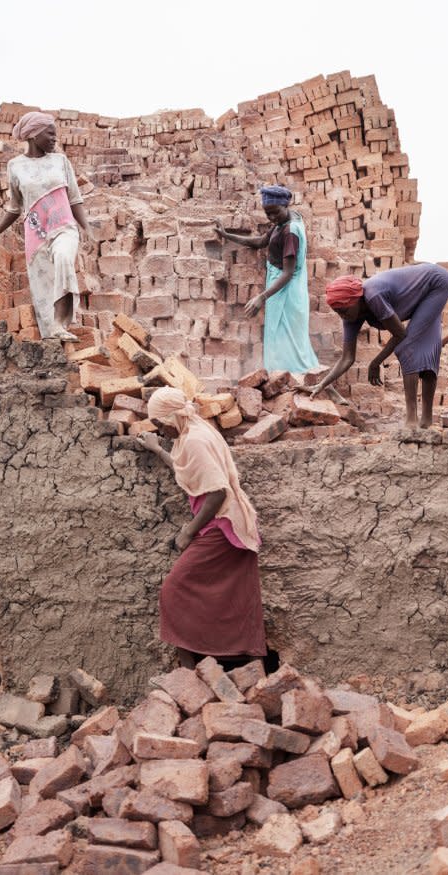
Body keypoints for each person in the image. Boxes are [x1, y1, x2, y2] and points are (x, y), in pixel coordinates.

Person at [136, 387, 267, 669]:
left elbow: (217, 490)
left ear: (173, 417)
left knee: (174, 590)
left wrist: (189, 531)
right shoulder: (193, 431)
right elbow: (189, 469)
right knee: (238, 597)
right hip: (228, 523)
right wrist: (159, 450)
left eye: (159, 424)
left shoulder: (194, 439)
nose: (159, 430)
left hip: (224, 525)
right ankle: (254, 668)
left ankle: (188, 671)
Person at [0, 111, 92, 341]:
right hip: (36, 234)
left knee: (64, 259)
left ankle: (61, 322)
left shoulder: (60, 161)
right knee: (42, 285)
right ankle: (53, 342)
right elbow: (15, 206)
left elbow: (75, 199)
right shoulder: (15, 166)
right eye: (50, 134)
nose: (55, 139)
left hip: (64, 227)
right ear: (34, 135)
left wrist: (87, 228)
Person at [310, 263, 448, 428]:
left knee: (407, 348)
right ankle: (426, 422)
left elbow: (400, 334)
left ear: (356, 299)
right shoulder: (350, 318)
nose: (342, 315)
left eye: (344, 310)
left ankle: (412, 421)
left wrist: (375, 362)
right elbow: (347, 358)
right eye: (338, 312)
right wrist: (322, 384)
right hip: (425, 294)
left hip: (436, 284)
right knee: (426, 353)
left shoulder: (373, 295)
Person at [215, 185, 319, 373]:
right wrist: (227, 235)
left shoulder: (290, 232)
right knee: (279, 335)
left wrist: (261, 297)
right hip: (278, 287)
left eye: (275, 212)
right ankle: (282, 379)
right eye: (267, 213)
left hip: (287, 291)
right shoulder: (282, 223)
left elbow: (288, 273)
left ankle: (294, 379)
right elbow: (260, 242)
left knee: (287, 339)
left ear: (285, 205)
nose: (271, 218)